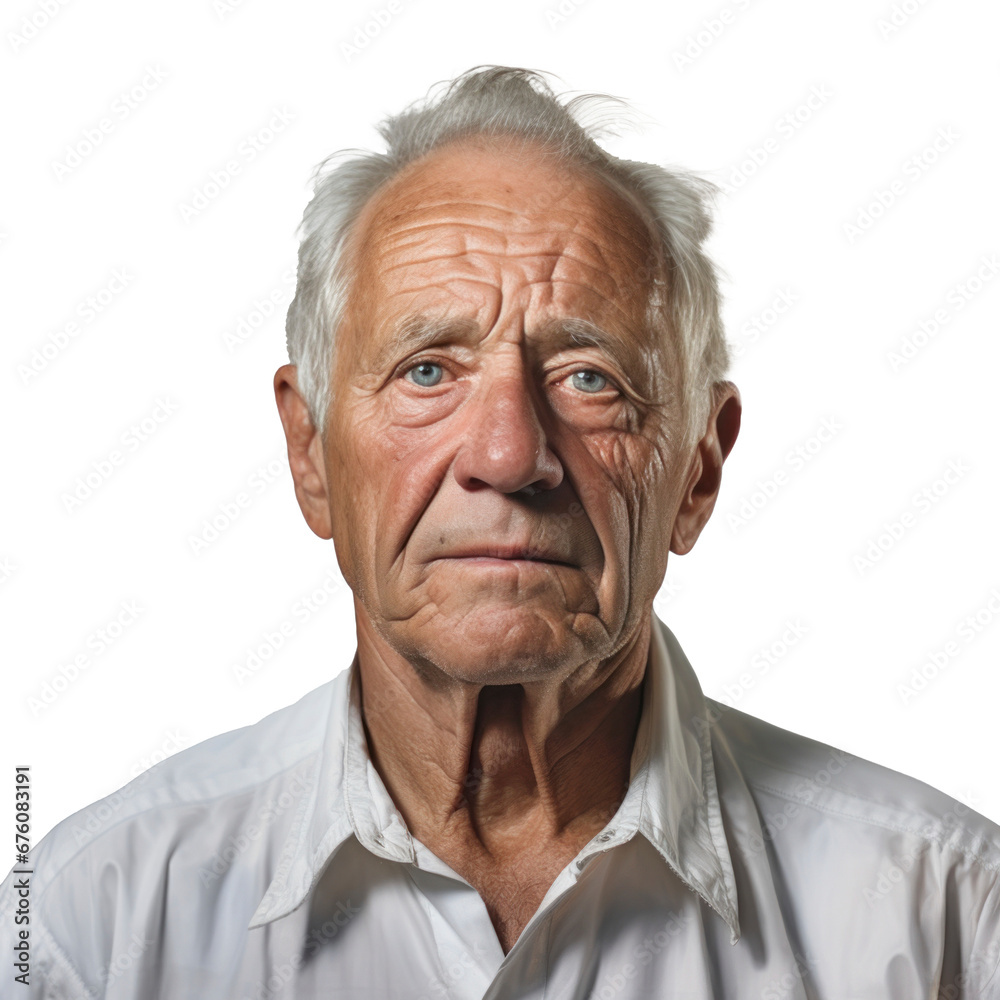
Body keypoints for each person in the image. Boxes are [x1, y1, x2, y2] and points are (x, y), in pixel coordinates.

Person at [3, 65, 998, 1000]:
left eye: (590, 379)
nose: (509, 452)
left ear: (697, 467)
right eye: (427, 370)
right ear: (309, 453)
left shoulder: (942, 919)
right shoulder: (89, 926)